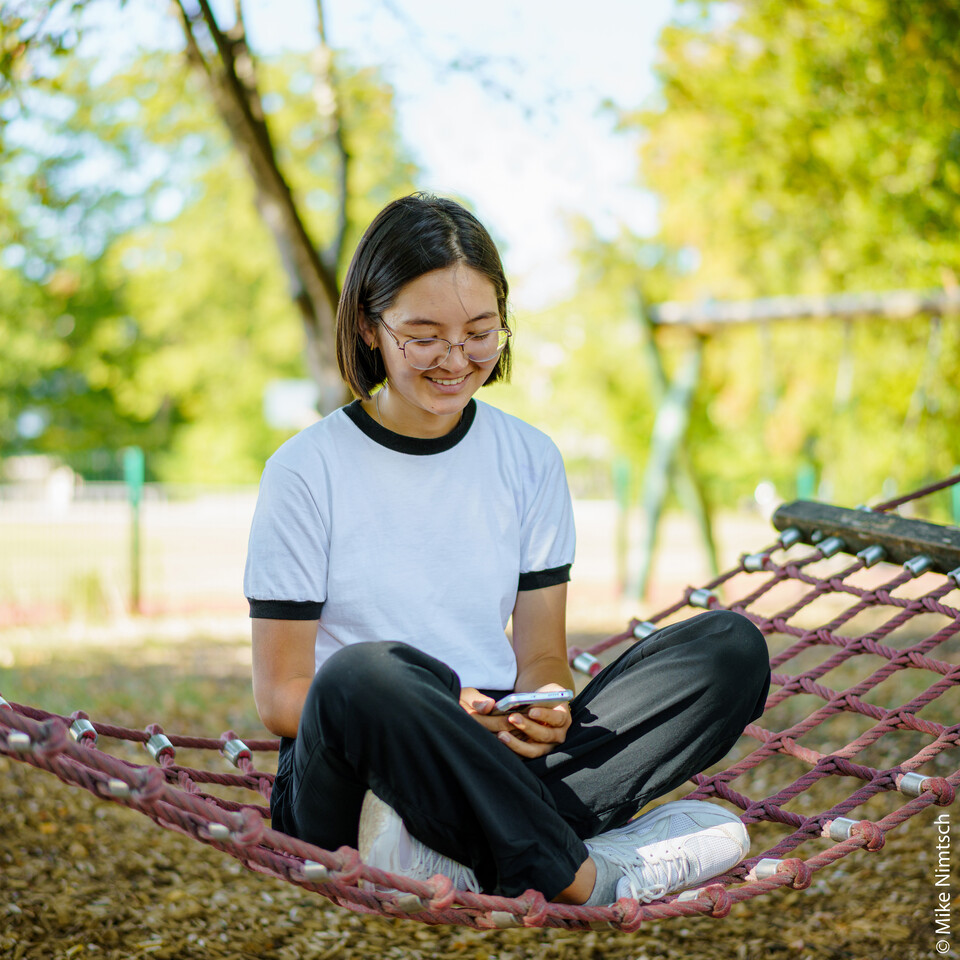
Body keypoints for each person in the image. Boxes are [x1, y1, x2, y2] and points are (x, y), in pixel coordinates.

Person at [243, 193, 771, 905]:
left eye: (480, 333)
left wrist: (548, 703)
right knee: (363, 674)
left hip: (503, 751)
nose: (456, 360)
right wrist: (437, 710)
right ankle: (584, 874)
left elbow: (542, 658)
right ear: (370, 329)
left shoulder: (529, 459)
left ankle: (450, 851)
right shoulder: (306, 470)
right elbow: (282, 698)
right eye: (424, 337)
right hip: (353, 779)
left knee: (728, 650)